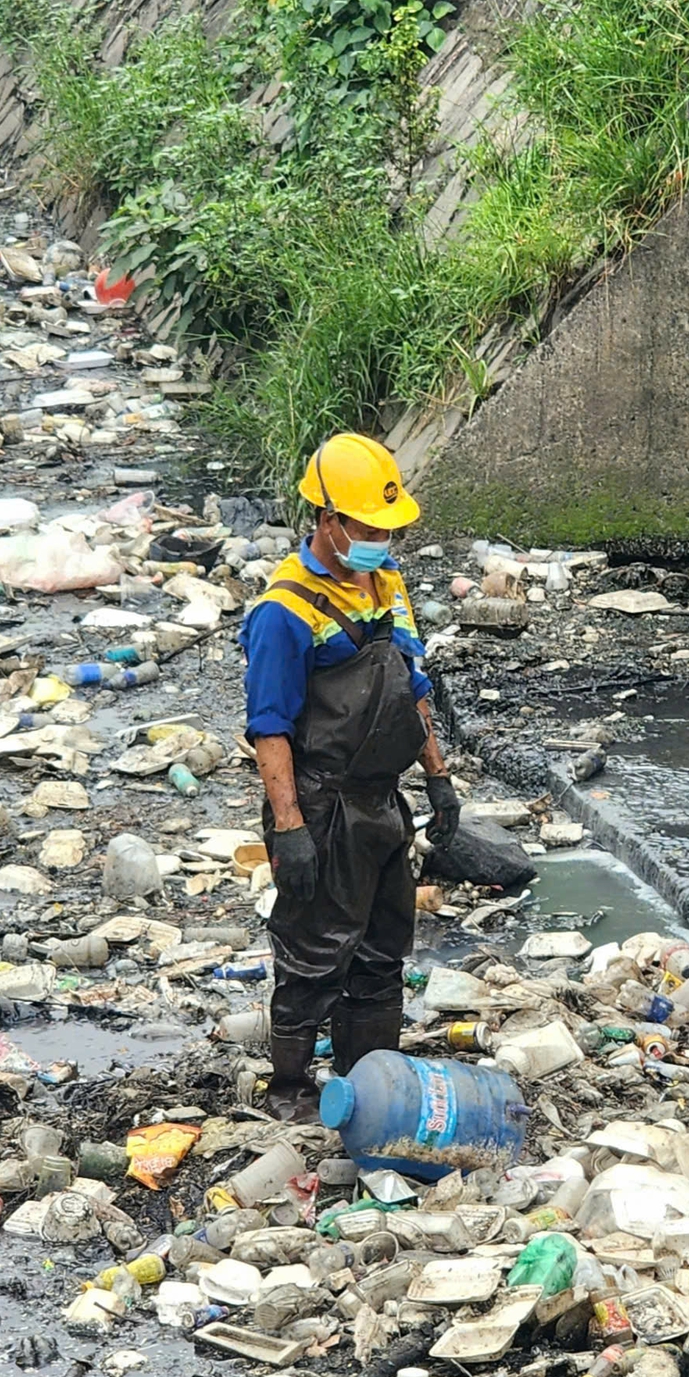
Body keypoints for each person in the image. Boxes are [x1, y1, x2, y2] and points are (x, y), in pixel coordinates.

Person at [239, 432, 460, 1121]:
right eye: (368, 526)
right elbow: (269, 727)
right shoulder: (285, 610)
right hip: (321, 802)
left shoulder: (388, 585)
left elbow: (411, 684)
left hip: (380, 803)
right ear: (327, 520)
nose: (380, 539)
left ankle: (368, 1086)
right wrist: (290, 829)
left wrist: (438, 778)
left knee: (381, 952)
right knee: (313, 954)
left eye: (388, 528)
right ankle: (291, 1093)